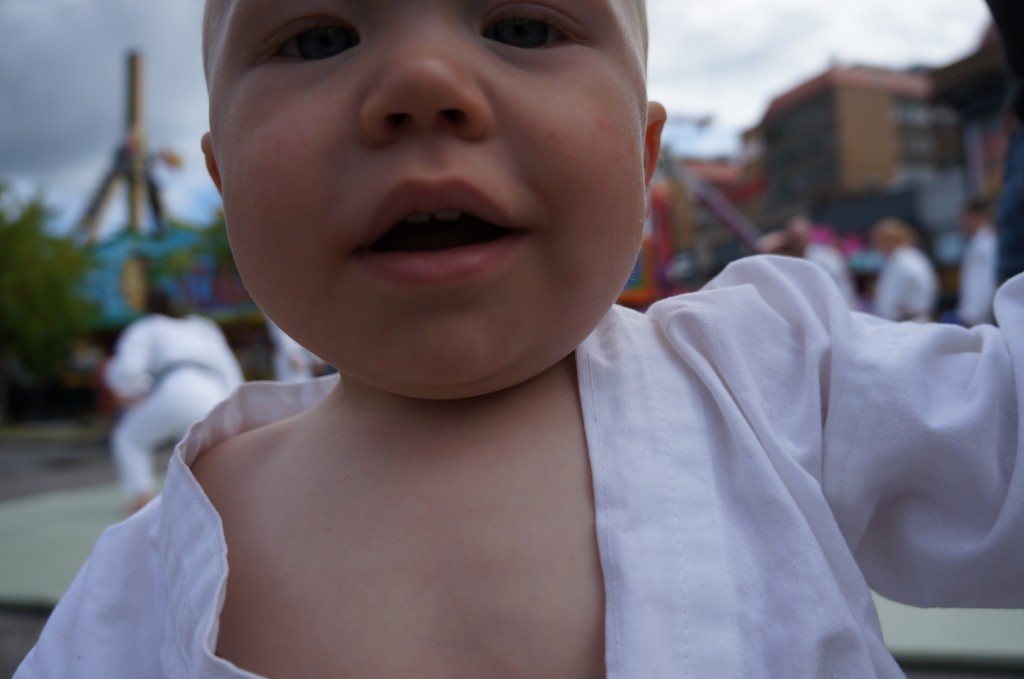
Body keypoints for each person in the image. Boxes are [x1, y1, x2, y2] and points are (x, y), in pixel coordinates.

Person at [17, 1, 1024, 677]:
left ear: (643, 157)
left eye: (523, 26)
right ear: (224, 178)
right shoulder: (134, 585)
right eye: (318, 37)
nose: (421, 82)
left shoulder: (780, 383)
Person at [103, 288, 243, 512]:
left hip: (177, 386)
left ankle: (142, 495)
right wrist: (235, 403)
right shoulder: (203, 327)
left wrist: (131, 390)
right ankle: (221, 497)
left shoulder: (147, 327)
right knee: (198, 448)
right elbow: (229, 366)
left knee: (129, 437)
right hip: (216, 391)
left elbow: (129, 368)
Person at [870, 217, 939, 322]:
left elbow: (924, 284)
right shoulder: (897, 259)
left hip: (911, 320)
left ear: (891, 239)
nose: (877, 246)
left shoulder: (905, 258)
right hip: (903, 321)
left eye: (879, 241)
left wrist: (909, 305)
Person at [956, 196, 998, 326]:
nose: (962, 223)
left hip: (980, 320)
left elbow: (984, 284)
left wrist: (971, 316)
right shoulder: (978, 242)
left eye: (965, 217)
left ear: (978, 216)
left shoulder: (984, 244)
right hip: (979, 318)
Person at [266, 317, 323, 382]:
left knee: (306, 382)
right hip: (289, 358)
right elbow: (281, 335)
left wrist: (316, 358)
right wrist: (293, 355)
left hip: (302, 356)